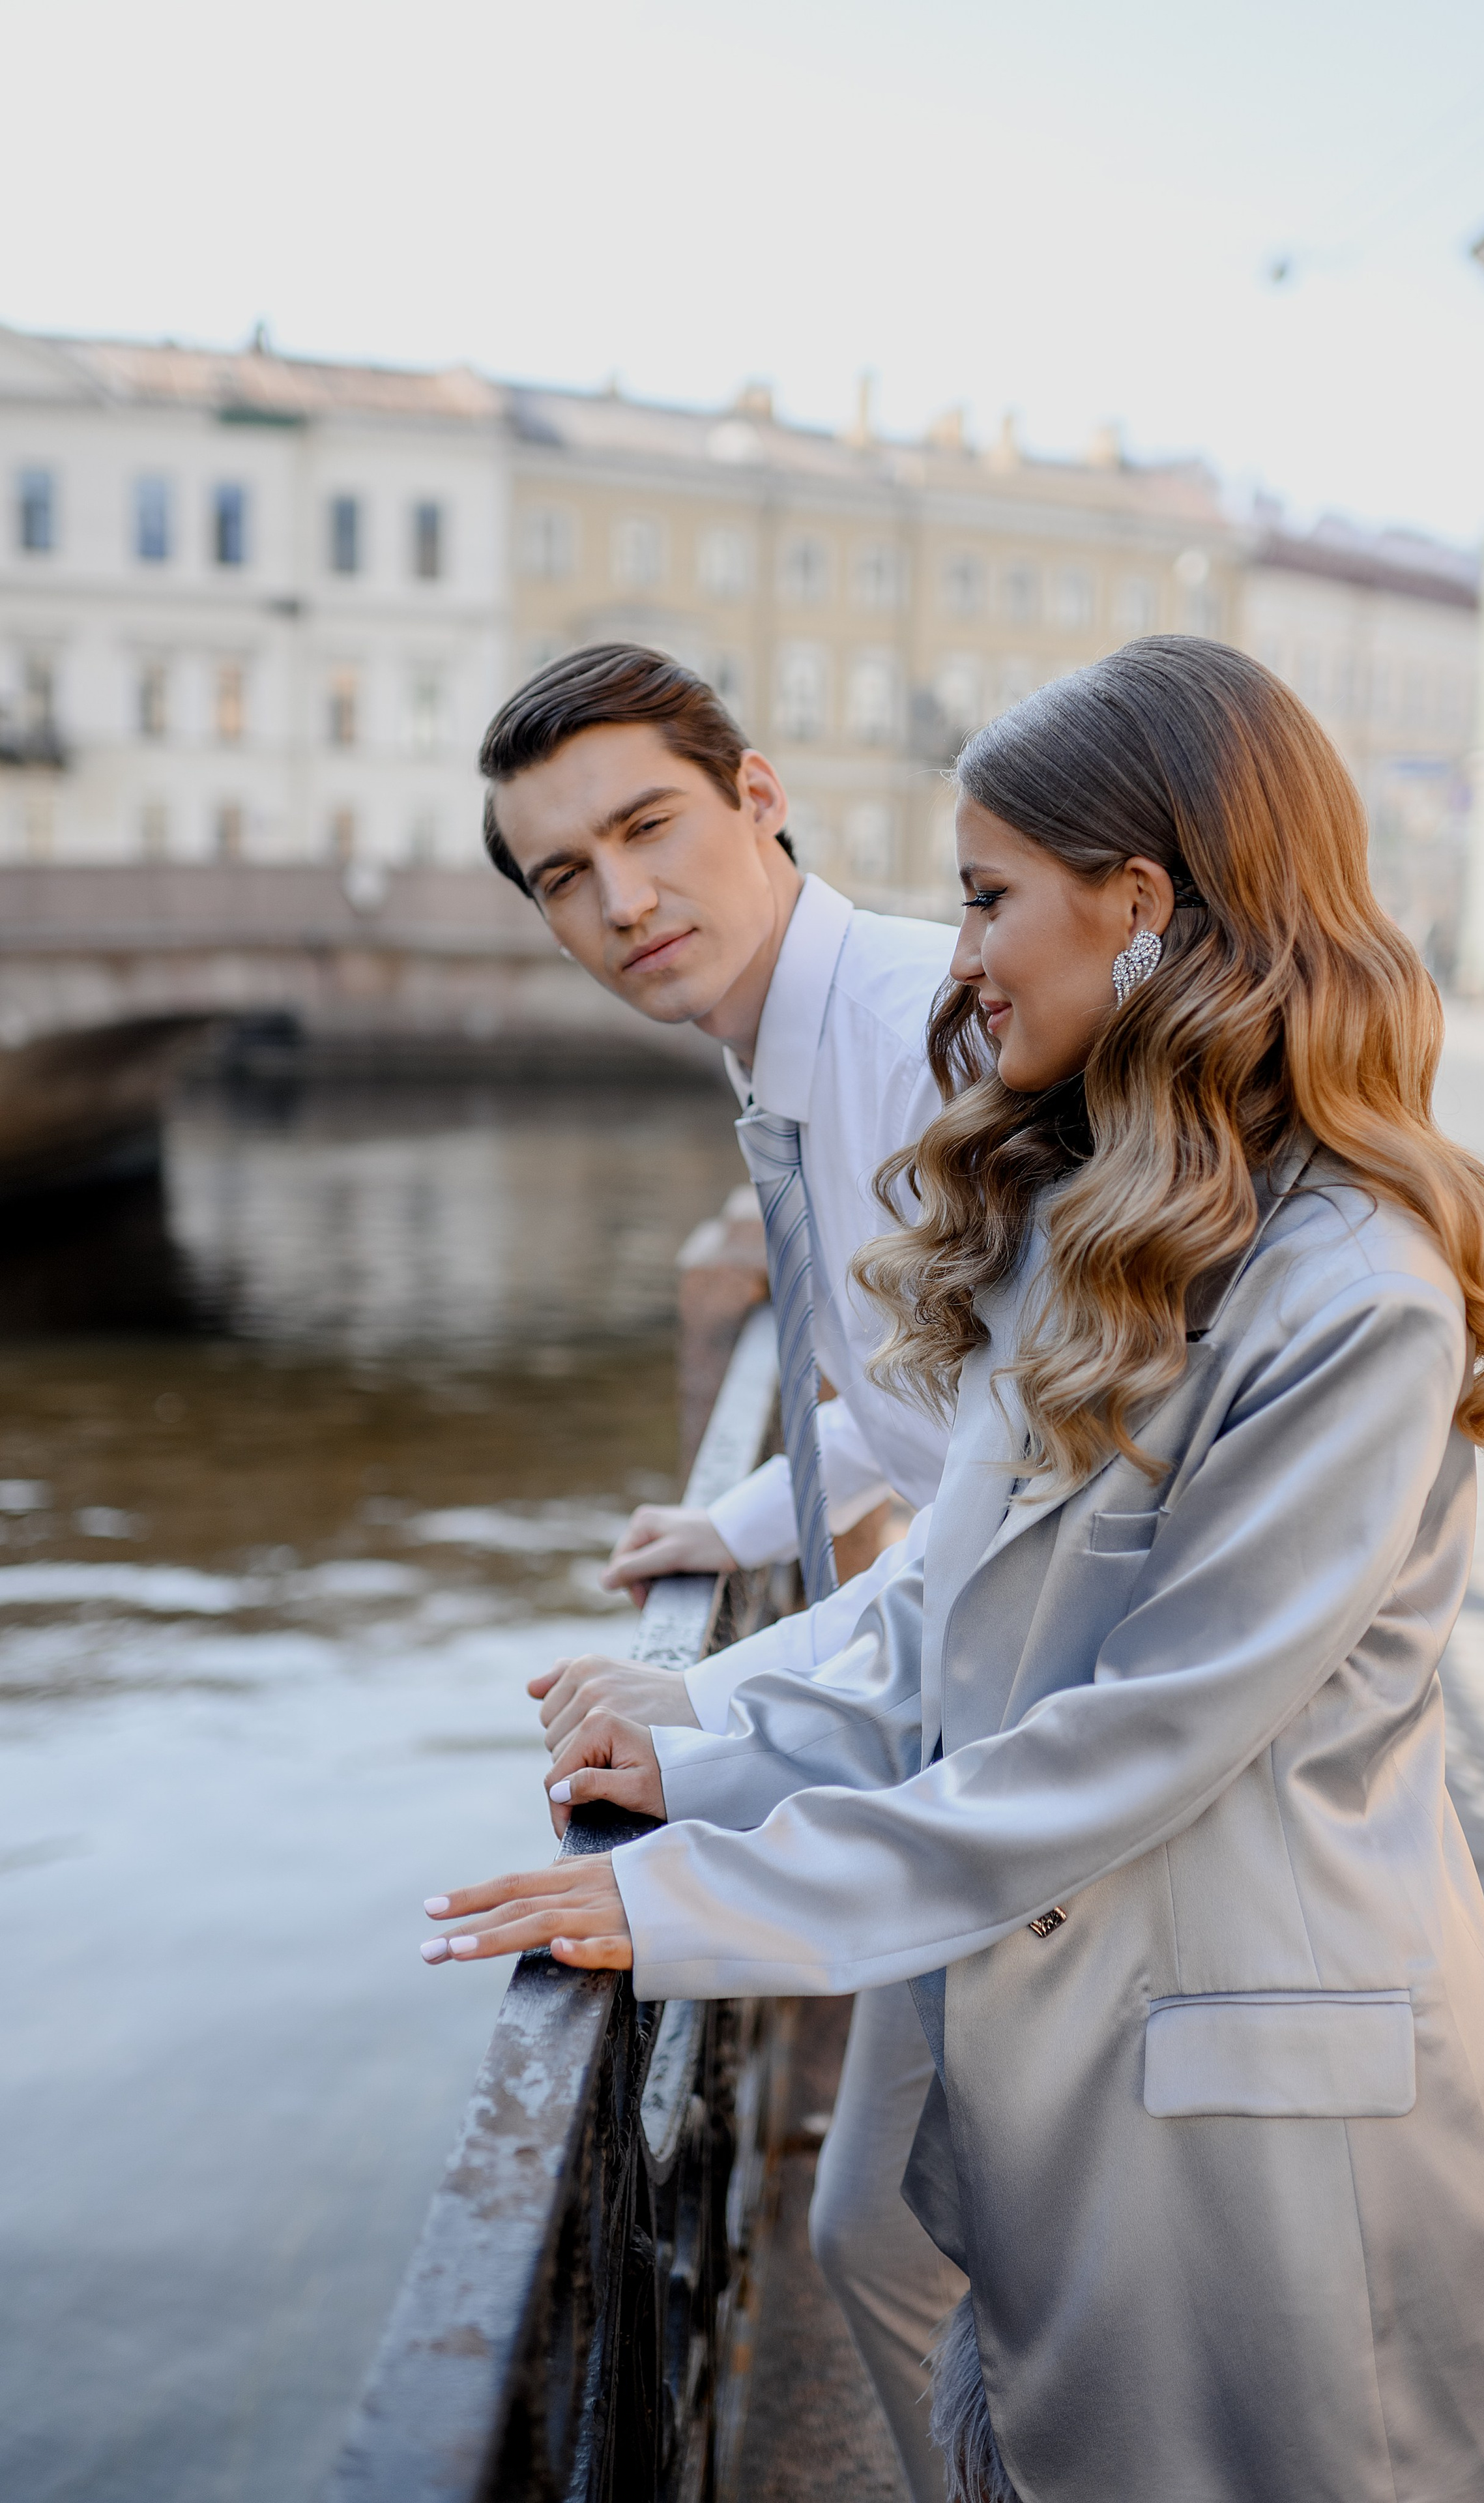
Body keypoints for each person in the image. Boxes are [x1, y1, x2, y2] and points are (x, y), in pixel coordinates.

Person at [430, 639, 1484, 2503]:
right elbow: (952, 1599)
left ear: (1138, 908)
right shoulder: (1126, 1218)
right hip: (1127, 2049)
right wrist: (711, 1749)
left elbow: (1132, 1738)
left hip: (1305, 2131)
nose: (960, 952)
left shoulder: (1354, 1294)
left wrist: (701, 1900)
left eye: (988, 895)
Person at [476, 643, 965, 2500]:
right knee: (892, 2243)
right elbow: (932, 1411)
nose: (620, 904)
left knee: (929, 2253)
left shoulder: (933, 1031)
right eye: (562, 880)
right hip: (973, 1725)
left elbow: (1017, 1516)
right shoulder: (793, 1044)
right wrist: (747, 1525)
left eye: (648, 828)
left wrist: (715, 1708)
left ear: (758, 796)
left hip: (1058, 1748)